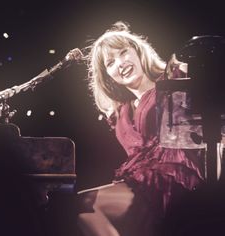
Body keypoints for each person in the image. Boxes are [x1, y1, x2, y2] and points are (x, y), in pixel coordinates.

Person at [77, 21, 205, 236]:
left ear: (138, 52)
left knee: (84, 203)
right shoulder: (121, 112)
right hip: (140, 183)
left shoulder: (172, 81)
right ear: (107, 75)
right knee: (79, 212)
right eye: (110, 63)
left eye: (123, 52)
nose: (119, 63)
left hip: (174, 176)